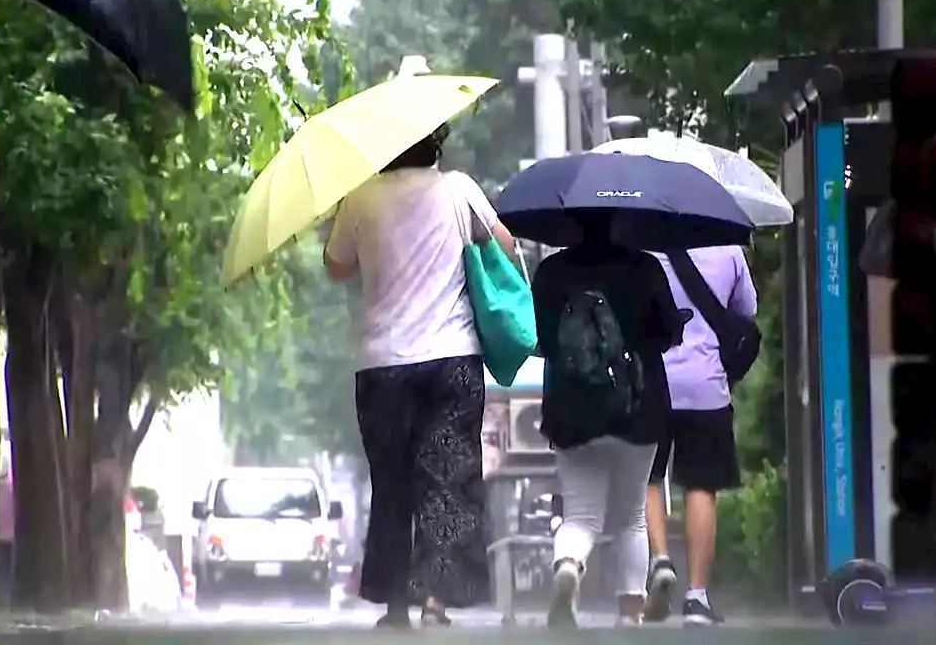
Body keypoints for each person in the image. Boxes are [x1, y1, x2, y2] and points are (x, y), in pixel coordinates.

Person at [322, 125, 516, 627]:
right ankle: (436, 601)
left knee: (392, 484)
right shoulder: (459, 189)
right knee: (448, 479)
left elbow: (337, 266)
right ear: (436, 144)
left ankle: (394, 606)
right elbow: (505, 245)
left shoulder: (359, 197)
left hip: (384, 364)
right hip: (452, 360)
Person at [530, 213, 689, 627]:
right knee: (632, 515)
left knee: (581, 515)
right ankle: (630, 614)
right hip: (639, 406)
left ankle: (568, 566)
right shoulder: (644, 267)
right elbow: (668, 332)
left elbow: (538, 340)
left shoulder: (551, 272)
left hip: (572, 408)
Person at [642, 246, 757, 625]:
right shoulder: (728, 248)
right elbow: (745, 313)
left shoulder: (644, 245)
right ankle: (696, 598)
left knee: (647, 477)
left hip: (652, 383)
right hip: (706, 386)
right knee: (701, 485)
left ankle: (660, 559)